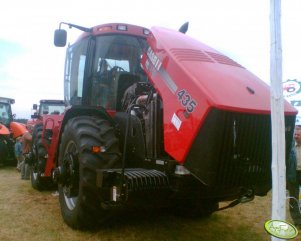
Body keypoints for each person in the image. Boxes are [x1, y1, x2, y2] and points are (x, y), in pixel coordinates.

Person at [287, 124, 301, 228]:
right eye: (295, 134)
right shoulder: (290, 145)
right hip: (293, 174)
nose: (296, 136)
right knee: (293, 197)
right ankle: (298, 222)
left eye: (298, 134)